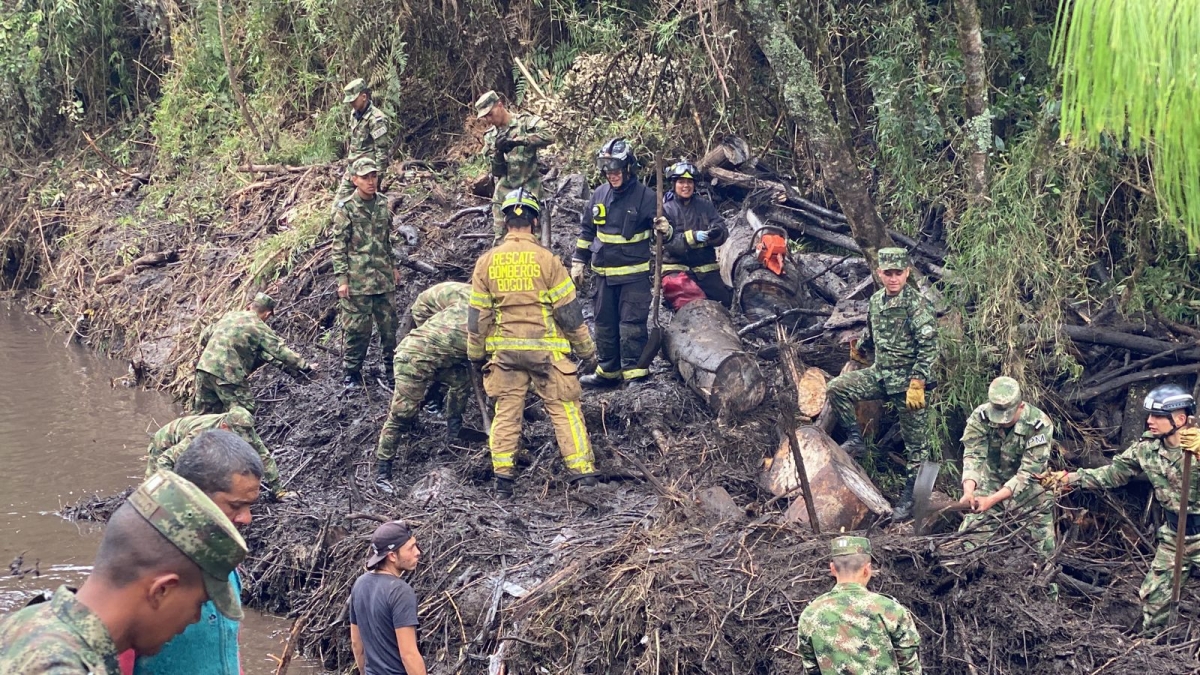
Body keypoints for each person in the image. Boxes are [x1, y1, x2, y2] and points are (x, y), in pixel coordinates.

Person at [0, 470, 248, 674]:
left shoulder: (27, 621)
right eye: (199, 603)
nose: (195, 618)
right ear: (161, 590)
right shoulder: (61, 668)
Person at [469, 189, 599, 497]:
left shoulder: (486, 263)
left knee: (506, 413)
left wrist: (475, 353)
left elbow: (478, 317)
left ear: (504, 223)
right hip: (546, 353)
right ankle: (584, 477)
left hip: (506, 355)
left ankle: (503, 481)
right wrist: (588, 352)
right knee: (565, 410)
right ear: (535, 221)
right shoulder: (549, 261)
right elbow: (569, 315)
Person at [1041, 383, 1200, 634]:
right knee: (1154, 601)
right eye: (1149, 415)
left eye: (1158, 416)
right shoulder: (1147, 449)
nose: (1150, 421)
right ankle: (1157, 654)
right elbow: (1113, 474)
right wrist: (1069, 479)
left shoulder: (1197, 447)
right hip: (1174, 537)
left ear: (1180, 418)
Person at [127, 430, 265, 675]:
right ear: (192, 497)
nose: (247, 518)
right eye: (235, 506)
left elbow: (228, 649)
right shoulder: (141, 573)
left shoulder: (226, 568)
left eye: (249, 506)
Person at [825, 247, 937, 520]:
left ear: (907, 273)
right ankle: (856, 439)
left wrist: (918, 381)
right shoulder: (876, 301)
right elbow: (872, 333)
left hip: (908, 384)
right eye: (888, 273)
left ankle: (911, 500)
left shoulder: (916, 304)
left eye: (899, 273)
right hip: (881, 374)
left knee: (917, 447)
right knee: (837, 388)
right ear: (879, 273)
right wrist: (861, 348)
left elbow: (930, 345)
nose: (894, 278)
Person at [572, 138, 668, 387]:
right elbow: (587, 231)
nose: (611, 175)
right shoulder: (599, 195)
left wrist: (665, 229)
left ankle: (635, 374)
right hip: (603, 275)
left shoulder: (647, 197)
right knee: (604, 324)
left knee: (631, 326)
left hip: (633, 278)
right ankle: (608, 372)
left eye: (616, 170)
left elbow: (666, 233)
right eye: (607, 170)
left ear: (628, 168)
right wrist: (578, 261)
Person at [375, 281, 474, 493]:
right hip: (411, 360)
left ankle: (453, 431)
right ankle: (382, 472)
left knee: (461, 380)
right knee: (401, 415)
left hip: (436, 358)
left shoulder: (469, 304)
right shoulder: (478, 335)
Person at [957, 376, 1056, 558]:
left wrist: (992, 500)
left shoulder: (1039, 425)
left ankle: (1045, 583)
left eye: (1007, 418)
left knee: (1043, 549)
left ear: (1020, 406)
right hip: (991, 481)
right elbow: (973, 455)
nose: (1002, 422)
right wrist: (969, 490)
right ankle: (962, 577)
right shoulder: (981, 417)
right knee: (968, 539)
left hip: (1030, 490)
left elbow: (1027, 474)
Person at [796, 536, 922, 674]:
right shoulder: (890, 610)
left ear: (832, 569)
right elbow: (909, 667)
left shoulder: (810, 614)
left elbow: (811, 668)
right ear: (867, 570)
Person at [332, 156, 400, 388]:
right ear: (354, 180)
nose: (371, 182)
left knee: (389, 328)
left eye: (374, 176)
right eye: (365, 177)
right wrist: (342, 280)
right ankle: (351, 373)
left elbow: (386, 240)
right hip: (358, 280)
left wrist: (393, 267)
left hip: (382, 278)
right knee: (357, 330)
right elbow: (339, 246)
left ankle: (392, 372)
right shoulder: (346, 209)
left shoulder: (382, 203)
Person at [194, 293, 316, 415]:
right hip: (227, 372)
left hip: (203, 368)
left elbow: (204, 336)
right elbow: (280, 351)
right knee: (243, 414)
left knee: (203, 417)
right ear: (267, 314)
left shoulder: (230, 316)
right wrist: (305, 367)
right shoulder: (258, 326)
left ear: (250, 306)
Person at [145, 406, 293, 501]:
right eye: (237, 436)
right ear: (224, 427)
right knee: (154, 489)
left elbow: (264, 457)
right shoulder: (201, 433)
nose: (241, 440)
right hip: (165, 443)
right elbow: (166, 459)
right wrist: (172, 492)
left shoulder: (245, 429)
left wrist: (278, 491)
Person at [475, 90, 553, 242]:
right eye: (485, 117)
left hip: (530, 187)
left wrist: (520, 141)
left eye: (490, 114)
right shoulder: (491, 136)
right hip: (504, 192)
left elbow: (549, 136)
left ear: (500, 105)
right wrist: (498, 152)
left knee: (533, 237)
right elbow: (497, 172)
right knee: (501, 239)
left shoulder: (524, 123)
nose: (488, 120)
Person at [349, 521, 426, 675]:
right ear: (392, 555)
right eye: (411, 548)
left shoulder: (359, 584)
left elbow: (357, 643)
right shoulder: (400, 592)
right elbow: (408, 655)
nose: (418, 552)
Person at [660, 160, 731, 309]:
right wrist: (692, 237)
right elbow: (670, 243)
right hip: (676, 269)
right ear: (674, 184)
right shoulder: (665, 210)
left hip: (705, 268)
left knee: (724, 302)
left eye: (689, 182)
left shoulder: (705, 205)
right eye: (681, 182)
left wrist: (716, 233)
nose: (686, 186)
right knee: (689, 302)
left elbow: (723, 230)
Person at [334, 78, 391, 206]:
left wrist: (378, 179)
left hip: (367, 173)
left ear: (363, 97)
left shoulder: (377, 119)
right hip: (353, 170)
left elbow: (382, 151)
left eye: (353, 100)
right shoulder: (354, 114)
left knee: (368, 210)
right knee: (338, 206)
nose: (351, 104)